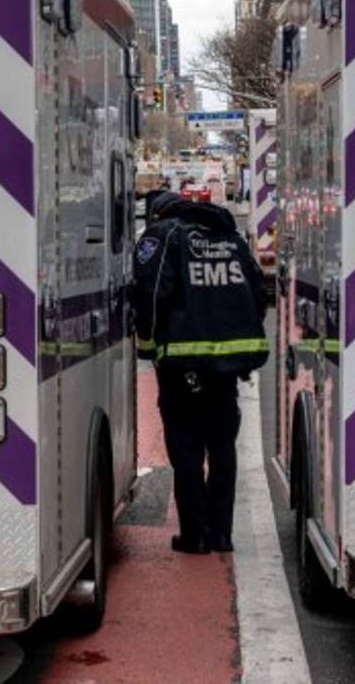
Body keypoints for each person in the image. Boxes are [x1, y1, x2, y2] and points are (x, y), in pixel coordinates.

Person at [134, 190, 269, 554]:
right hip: (227, 368)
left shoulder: (162, 237)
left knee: (186, 451)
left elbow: (150, 294)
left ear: (158, 214)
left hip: (181, 366)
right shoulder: (229, 238)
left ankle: (194, 536)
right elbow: (259, 294)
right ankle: (222, 535)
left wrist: (147, 345)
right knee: (223, 448)